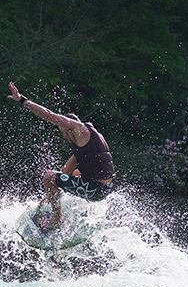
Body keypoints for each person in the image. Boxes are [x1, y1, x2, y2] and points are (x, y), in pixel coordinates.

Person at [6, 81, 116, 229]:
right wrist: (51, 195)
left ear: (68, 126)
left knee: (48, 176)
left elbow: (49, 115)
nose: (64, 136)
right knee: (71, 173)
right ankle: (76, 213)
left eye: (62, 131)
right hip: (105, 189)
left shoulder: (80, 129)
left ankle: (57, 221)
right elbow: (66, 170)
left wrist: (23, 100)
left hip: (95, 189)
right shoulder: (87, 143)